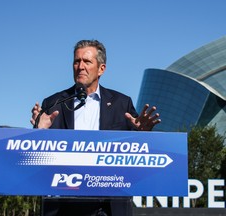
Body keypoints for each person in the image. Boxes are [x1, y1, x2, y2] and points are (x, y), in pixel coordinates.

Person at [30, 39, 161, 216]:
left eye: (87, 61)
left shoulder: (121, 104)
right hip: (64, 203)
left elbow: (135, 153)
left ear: (101, 69)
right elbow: (38, 157)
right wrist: (38, 133)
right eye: (77, 61)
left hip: (108, 206)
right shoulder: (54, 103)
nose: (80, 66)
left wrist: (142, 134)